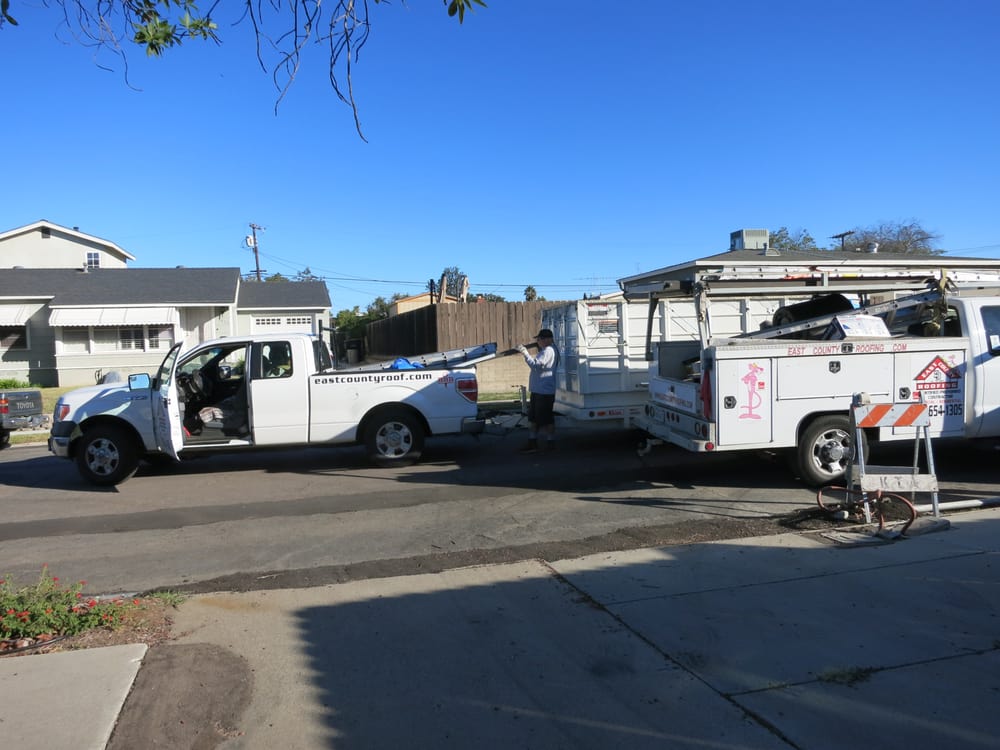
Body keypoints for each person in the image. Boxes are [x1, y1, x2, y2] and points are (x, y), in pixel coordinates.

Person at [516, 328, 561, 453]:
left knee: (546, 419)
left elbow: (536, 365)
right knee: (534, 418)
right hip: (540, 390)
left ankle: (550, 443)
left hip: (544, 391)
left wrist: (525, 353)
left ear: (547, 339)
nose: (538, 341)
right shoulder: (550, 350)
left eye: (540, 339)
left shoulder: (548, 351)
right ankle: (533, 443)